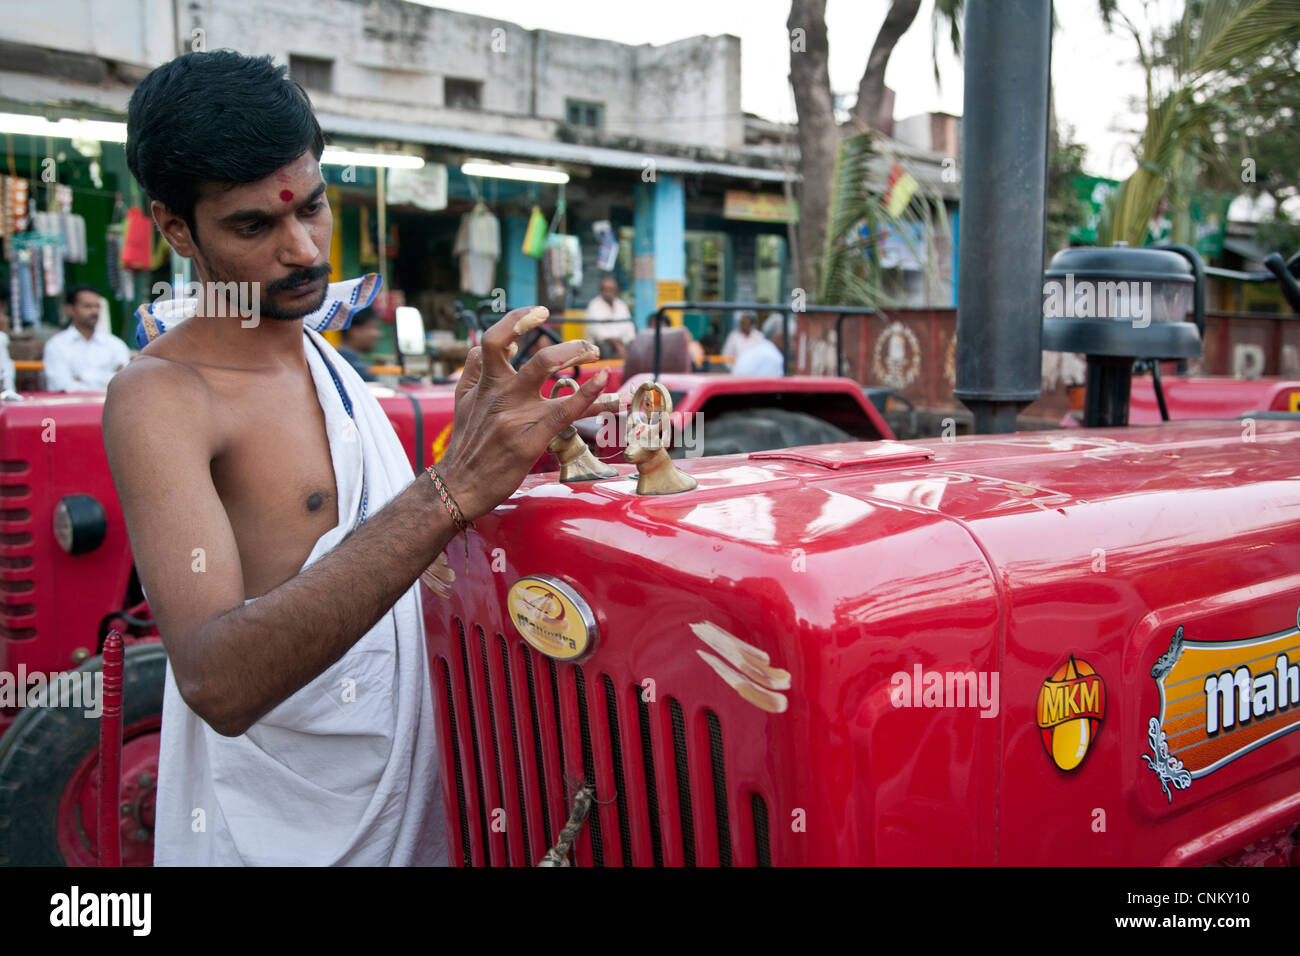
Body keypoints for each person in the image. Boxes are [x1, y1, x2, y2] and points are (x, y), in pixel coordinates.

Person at [102, 50, 620, 867]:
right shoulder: (163, 396)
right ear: (175, 227)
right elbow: (217, 681)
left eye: (313, 208)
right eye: (254, 226)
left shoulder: (320, 355)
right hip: (286, 833)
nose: (305, 250)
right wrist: (450, 488)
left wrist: (489, 437)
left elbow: (377, 531)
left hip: (418, 803)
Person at [42, 285, 131, 391]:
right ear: (70, 309)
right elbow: (60, 386)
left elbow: (125, 383)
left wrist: (82, 378)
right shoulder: (56, 345)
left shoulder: (115, 344)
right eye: (87, 306)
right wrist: (109, 379)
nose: (94, 311)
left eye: (97, 306)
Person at [585, 276, 636, 356]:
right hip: (603, 343)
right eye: (606, 288)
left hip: (621, 342)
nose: (609, 291)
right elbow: (596, 332)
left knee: (636, 347)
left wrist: (631, 341)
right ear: (601, 290)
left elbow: (629, 327)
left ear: (616, 290)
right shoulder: (594, 305)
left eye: (612, 289)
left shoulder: (621, 305)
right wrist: (616, 343)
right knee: (605, 348)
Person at [336, 308, 380, 382]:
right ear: (354, 331)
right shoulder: (349, 363)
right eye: (371, 327)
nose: (377, 334)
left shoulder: (345, 357)